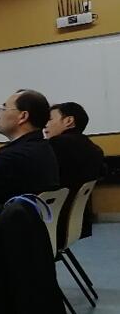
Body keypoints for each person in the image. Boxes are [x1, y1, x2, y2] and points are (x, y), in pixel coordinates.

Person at [0, 89, 59, 218]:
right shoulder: (41, 147)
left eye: (4, 108)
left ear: (23, 116)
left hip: (9, 225)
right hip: (33, 222)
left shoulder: (14, 156)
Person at [45, 102, 104, 241]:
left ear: (69, 121)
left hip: (53, 222)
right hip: (76, 221)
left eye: (49, 119)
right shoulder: (94, 149)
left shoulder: (55, 146)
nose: (45, 124)